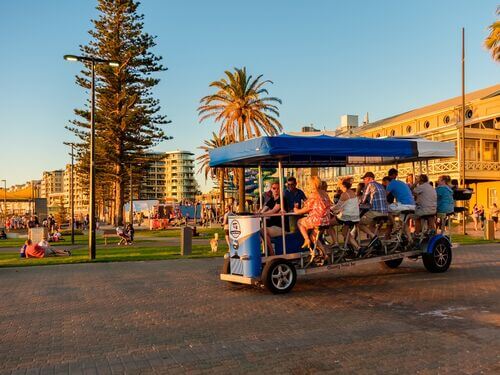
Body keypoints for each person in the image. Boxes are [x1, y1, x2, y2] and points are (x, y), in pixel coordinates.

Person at [293, 176, 331, 249]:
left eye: (309, 184)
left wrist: (296, 209)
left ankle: (306, 240)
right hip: (326, 220)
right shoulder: (324, 193)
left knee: (299, 222)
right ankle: (324, 254)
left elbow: (306, 209)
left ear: (312, 184)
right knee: (313, 237)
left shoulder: (314, 194)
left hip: (317, 220)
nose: (308, 186)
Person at [330, 177, 361, 251]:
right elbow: (347, 205)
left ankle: (335, 242)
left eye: (339, 185)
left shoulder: (344, 194)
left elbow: (337, 206)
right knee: (344, 232)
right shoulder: (353, 193)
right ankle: (358, 247)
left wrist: (330, 209)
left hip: (346, 216)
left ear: (343, 186)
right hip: (355, 217)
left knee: (328, 224)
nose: (339, 186)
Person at [358, 172, 388, 245]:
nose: (364, 181)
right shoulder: (380, 185)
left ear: (369, 179)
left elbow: (362, 200)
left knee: (358, 223)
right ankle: (377, 243)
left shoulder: (369, 185)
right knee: (372, 226)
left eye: (364, 179)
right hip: (385, 211)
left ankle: (374, 237)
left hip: (376, 211)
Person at [260, 181, 289, 255]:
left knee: (263, 230)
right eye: (274, 188)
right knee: (258, 231)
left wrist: (261, 214)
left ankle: (271, 251)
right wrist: (257, 213)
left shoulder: (282, 199)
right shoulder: (271, 200)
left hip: (281, 227)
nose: (276, 190)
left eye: (278, 188)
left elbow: (274, 210)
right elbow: (264, 209)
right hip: (273, 226)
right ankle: (265, 251)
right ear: (271, 189)